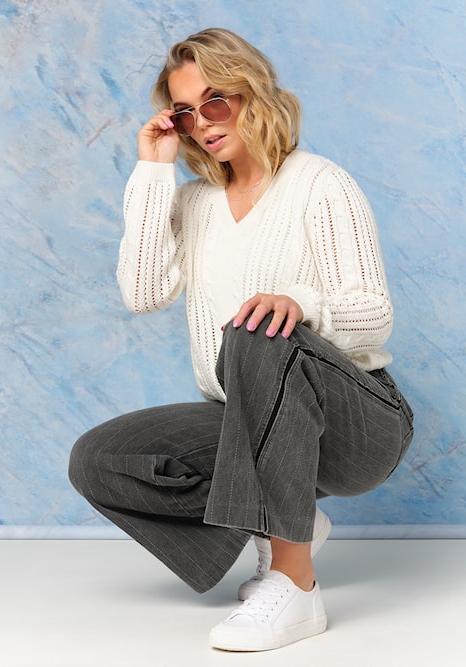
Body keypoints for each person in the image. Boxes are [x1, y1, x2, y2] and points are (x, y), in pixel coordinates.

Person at [69, 27, 414, 652]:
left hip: (358, 425)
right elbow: (142, 291)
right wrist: (153, 169)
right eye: (184, 112)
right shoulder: (195, 203)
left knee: (255, 328)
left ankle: (295, 582)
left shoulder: (319, 183)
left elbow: (375, 315)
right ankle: (284, 523)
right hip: (246, 423)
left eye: (215, 102)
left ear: (252, 93)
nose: (201, 123)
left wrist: (300, 305)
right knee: (100, 459)